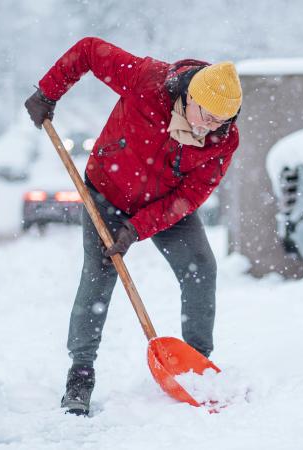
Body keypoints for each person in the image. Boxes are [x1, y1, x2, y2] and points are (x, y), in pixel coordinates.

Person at [24, 37, 242, 416]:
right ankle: (80, 374)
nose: (208, 127)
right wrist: (48, 92)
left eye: (219, 120)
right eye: (205, 115)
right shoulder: (148, 80)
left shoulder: (223, 140)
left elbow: (191, 194)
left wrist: (138, 227)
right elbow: (89, 50)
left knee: (201, 268)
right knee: (99, 274)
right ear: (190, 95)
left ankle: (196, 365)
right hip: (106, 192)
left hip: (164, 204)